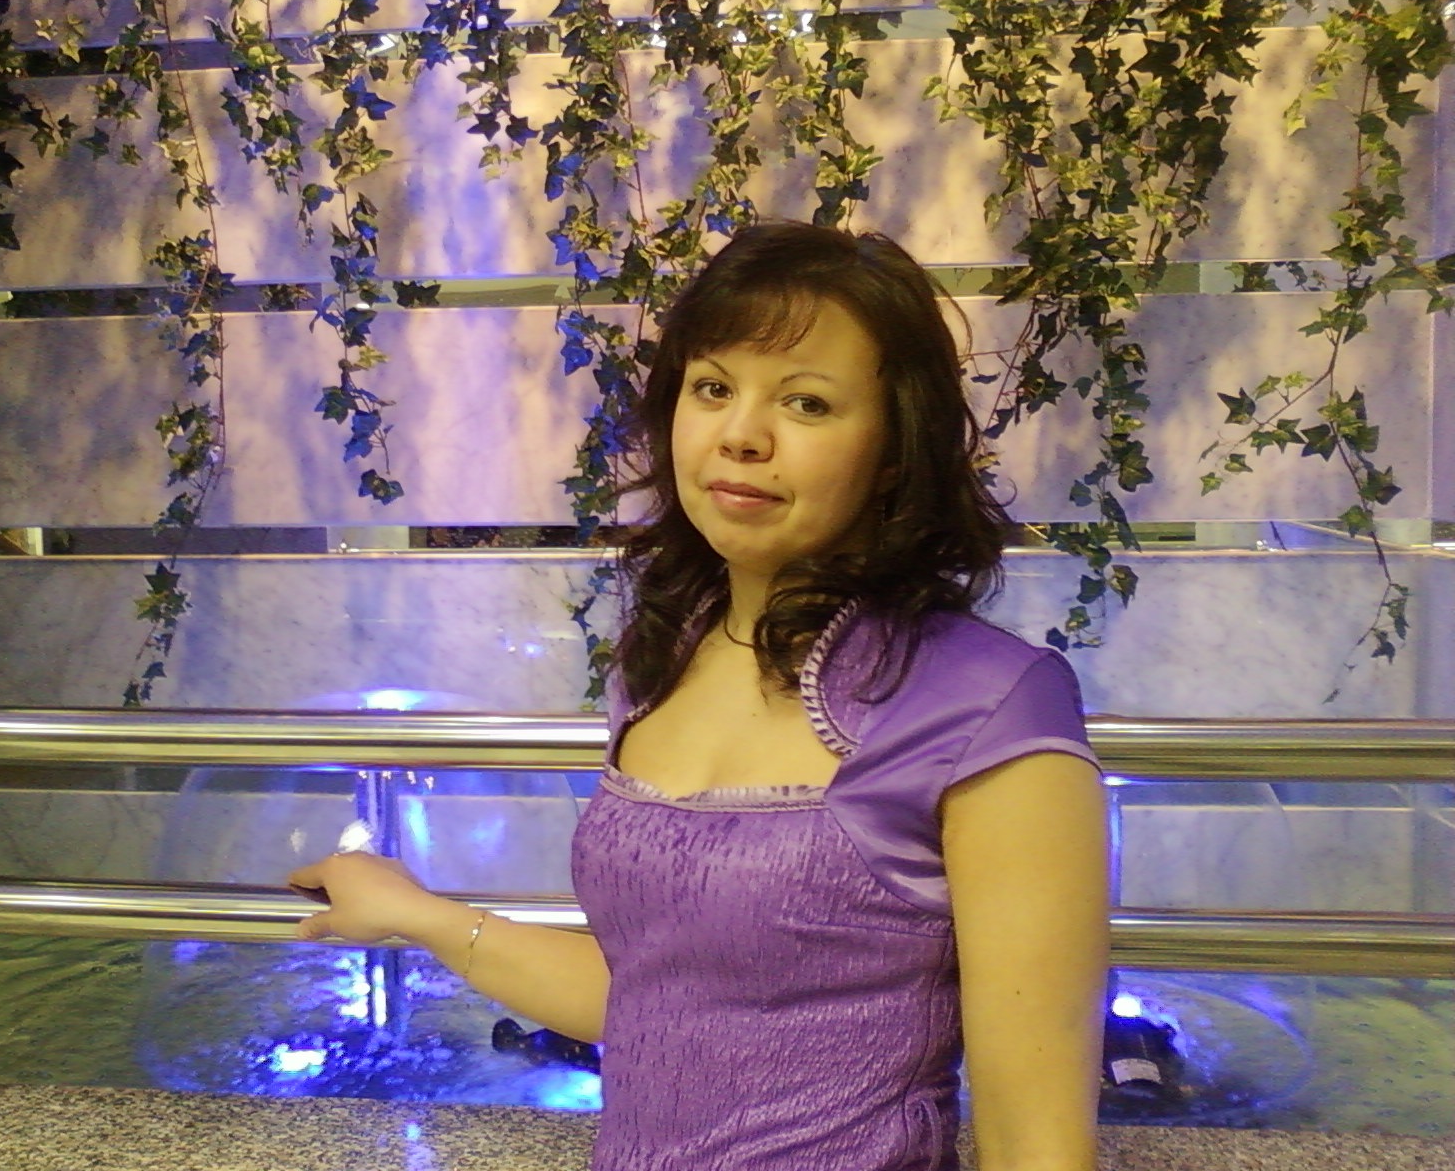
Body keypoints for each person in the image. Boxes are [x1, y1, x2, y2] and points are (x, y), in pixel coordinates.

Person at [289, 221, 1111, 1171]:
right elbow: (654, 1002)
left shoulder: (987, 705)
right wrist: (419, 913)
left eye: (805, 403)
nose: (740, 436)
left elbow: (1034, 1140)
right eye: (713, 388)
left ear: (894, 449)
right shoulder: (661, 666)